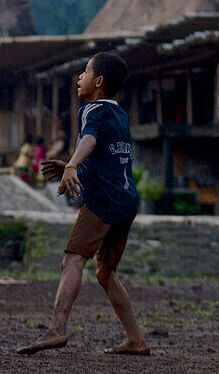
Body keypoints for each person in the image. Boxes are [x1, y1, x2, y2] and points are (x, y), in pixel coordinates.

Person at [17, 52, 149, 357]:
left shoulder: (91, 110)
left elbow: (88, 140)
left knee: (73, 261)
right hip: (127, 201)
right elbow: (107, 156)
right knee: (105, 271)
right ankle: (136, 340)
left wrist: (72, 166)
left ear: (98, 82)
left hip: (103, 202)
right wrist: (71, 164)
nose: (79, 77)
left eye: (85, 72)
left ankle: (56, 331)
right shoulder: (119, 113)